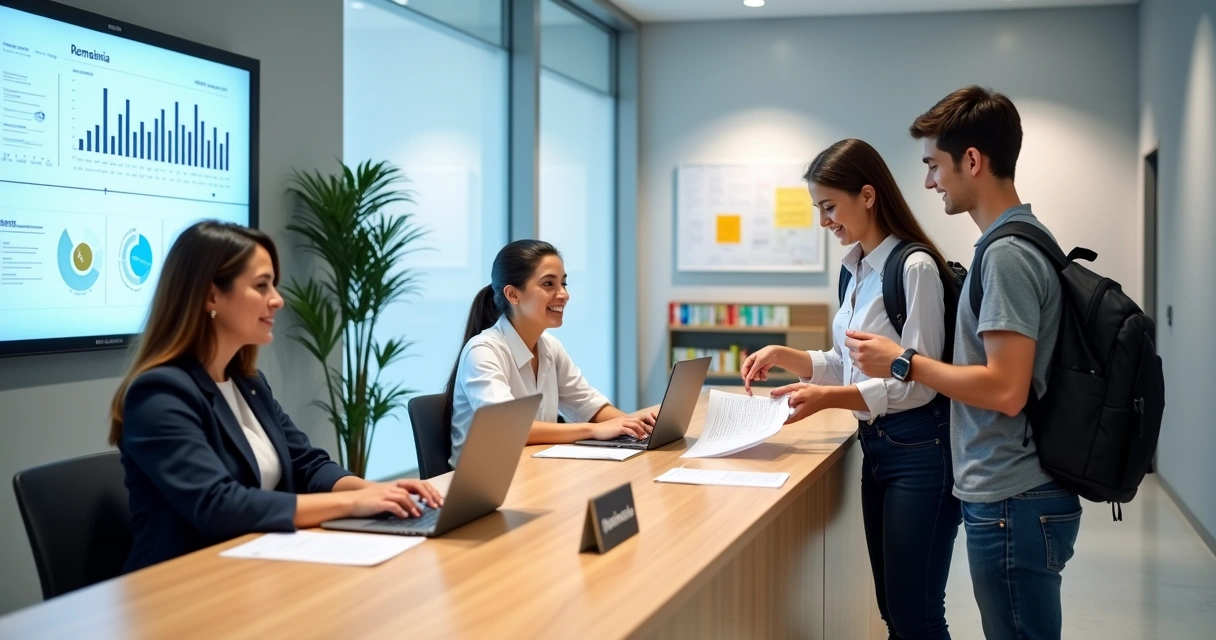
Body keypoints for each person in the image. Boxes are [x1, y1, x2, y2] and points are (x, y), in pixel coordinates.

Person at [846, 86, 1082, 640]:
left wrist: (902, 362)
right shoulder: (1019, 241)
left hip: (1011, 495)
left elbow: (1005, 389)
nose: (929, 182)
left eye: (934, 166)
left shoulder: (1004, 255)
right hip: (1014, 494)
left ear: (971, 161)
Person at [110, 221, 441, 572]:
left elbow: (308, 466)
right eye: (261, 285)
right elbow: (219, 506)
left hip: (255, 565)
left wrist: (377, 492)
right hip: (184, 585)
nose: (277, 299)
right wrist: (352, 504)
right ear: (211, 296)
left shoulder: (248, 383)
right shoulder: (160, 393)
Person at [741, 139, 960, 640]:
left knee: (917, 615)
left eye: (829, 207)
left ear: (867, 195)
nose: (824, 222)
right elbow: (847, 364)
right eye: (819, 209)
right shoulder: (854, 270)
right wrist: (785, 356)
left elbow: (918, 383)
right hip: (879, 450)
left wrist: (828, 400)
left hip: (921, 453)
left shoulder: (913, 268)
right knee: (892, 610)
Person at [444, 240, 654, 468]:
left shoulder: (550, 347)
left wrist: (635, 426)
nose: (563, 294)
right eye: (548, 284)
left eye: (563, 283)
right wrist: (594, 430)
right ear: (513, 295)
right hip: (483, 485)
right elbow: (509, 428)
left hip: (533, 471)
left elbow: (588, 406)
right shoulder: (483, 351)